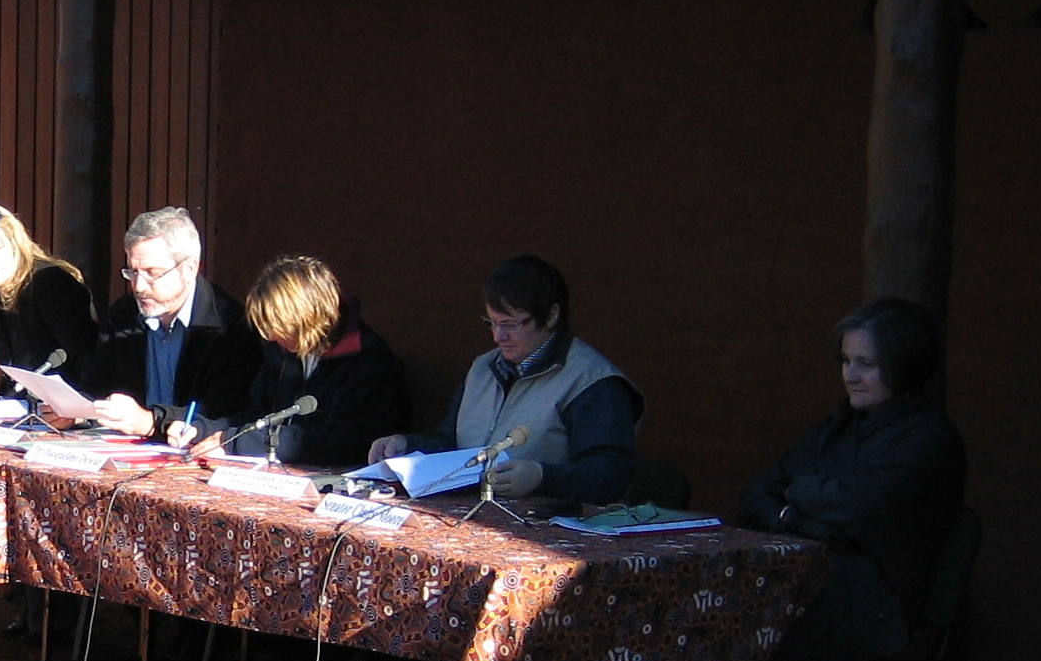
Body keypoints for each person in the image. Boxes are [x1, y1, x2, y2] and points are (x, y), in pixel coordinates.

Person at [741, 298, 966, 661]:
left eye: (867, 364)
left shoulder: (929, 439)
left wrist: (799, 489)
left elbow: (859, 507)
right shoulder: (838, 428)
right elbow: (759, 493)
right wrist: (793, 517)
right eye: (847, 361)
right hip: (812, 586)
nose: (851, 376)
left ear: (904, 366)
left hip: (878, 609)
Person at [367, 253, 639, 505]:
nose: (498, 337)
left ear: (552, 316)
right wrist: (407, 445)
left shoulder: (591, 381)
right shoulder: (482, 369)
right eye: (492, 323)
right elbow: (453, 444)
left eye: (510, 324)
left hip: (549, 528)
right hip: (473, 516)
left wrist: (542, 477)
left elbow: (611, 476)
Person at [169, 255, 407, 468]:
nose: (273, 338)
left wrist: (236, 444)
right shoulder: (282, 352)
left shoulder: (367, 360)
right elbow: (259, 417)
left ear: (309, 318)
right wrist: (202, 430)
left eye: (281, 329)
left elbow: (340, 442)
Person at [69, 206, 260, 437]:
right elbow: (97, 385)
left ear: (189, 269)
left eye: (153, 273)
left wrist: (151, 422)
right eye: (133, 272)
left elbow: (222, 412)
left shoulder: (230, 326)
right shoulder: (124, 314)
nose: (139, 286)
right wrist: (77, 412)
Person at [0, 201, 97, 395]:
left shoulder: (51, 283)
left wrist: (79, 413)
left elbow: (91, 363)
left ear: (17, 246)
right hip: (26, 410)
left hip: (71, 414)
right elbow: (15, 375)